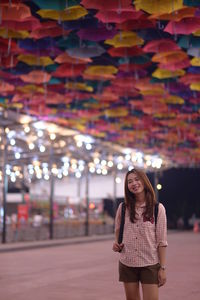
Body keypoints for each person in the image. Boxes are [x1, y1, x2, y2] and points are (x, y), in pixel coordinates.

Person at [112, 168, 167, 300]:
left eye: (137, 179)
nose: (134, 183)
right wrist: (117, 244)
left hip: (149, 263)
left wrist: (162, 268)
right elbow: (118, 230)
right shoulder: (123, 207)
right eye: (130, 181)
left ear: (144, 181)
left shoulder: (157, 208)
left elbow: (162, 241)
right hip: (127, 263)